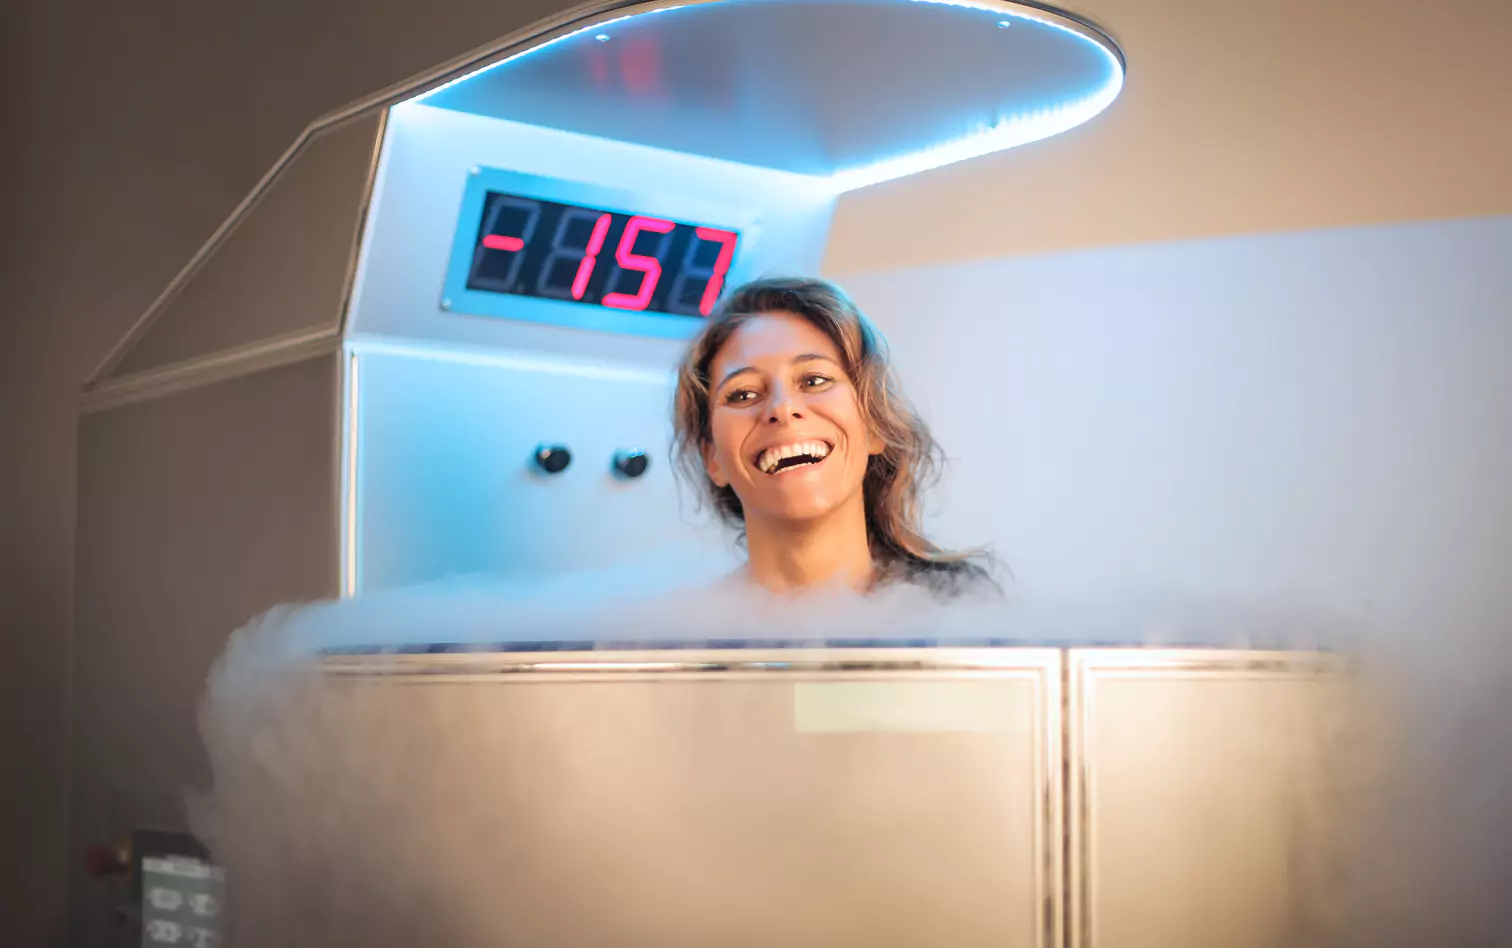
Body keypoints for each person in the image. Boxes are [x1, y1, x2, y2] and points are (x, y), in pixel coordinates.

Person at [672, 276, 999, 598]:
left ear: (873, 425)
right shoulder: (675, 632)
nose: (782, 409)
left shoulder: (964, 612)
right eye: (743, 394)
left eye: (814, 380)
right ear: (712, 457)